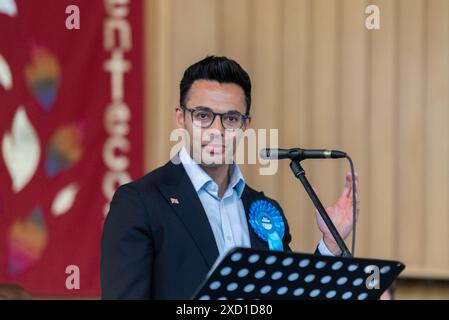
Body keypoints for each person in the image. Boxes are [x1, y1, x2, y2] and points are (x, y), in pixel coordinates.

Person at [100, 56, 359, 299]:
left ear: (246, 125)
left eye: (231, 118)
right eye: (203, 116)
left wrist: (330, 245)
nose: (217, 130)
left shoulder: (263, 211)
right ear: (181, 118)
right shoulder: (138, 203)